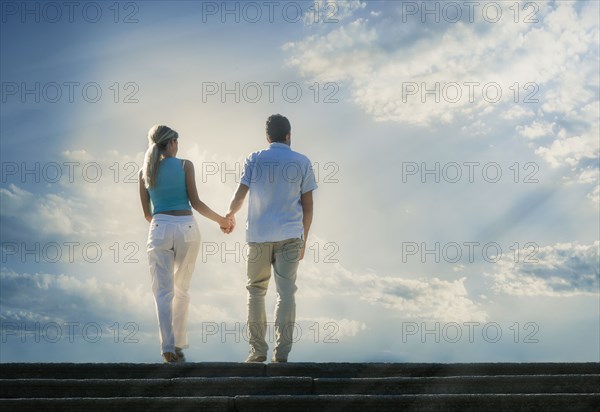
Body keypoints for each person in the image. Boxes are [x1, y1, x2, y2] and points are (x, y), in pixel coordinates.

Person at [225, 114, 317, 363]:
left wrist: (229, 215)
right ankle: (282, 354)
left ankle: (257, 351)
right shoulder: (302, 162)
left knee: (256, 291)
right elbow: (308, 207)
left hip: (259, 236)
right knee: (286, 293)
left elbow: (240, 194)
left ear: (267, 137)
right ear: (289, 135)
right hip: (290, 235)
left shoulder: (255, 158)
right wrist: (304, 239)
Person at [139, 124, 232, 363]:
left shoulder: (145, 172)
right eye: (176, 141)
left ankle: (167, 348)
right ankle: (179, 344)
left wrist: (163, 224)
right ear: (171, 143)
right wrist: (222, 220)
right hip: (187, 229)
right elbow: (196, 203)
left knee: (162, 292)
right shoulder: (184, 165)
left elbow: (147, 214)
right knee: (182, 290)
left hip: (159, 228)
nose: (178, 146)